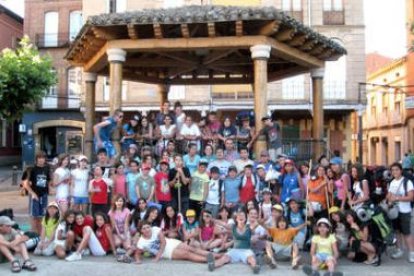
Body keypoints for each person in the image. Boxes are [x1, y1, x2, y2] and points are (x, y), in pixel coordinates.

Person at [134, 220, 215, 264]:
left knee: (192, 249)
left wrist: (157, 258)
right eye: (144, 228)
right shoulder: (141, 242)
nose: (147, 229)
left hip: (170, 242)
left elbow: (163, 242)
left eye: (148, 227)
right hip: (166, 252)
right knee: (187, 254)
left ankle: (217, 255)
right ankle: (208, 260)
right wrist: (138, 260)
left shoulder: (155, 229)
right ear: (141, 231)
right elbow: (137, 253)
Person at [207, 208, 260, 274]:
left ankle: (255, 267)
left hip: (246, 250)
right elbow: (223, 224)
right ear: (236, 218)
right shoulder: (233, 227)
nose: (241, 217)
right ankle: (212, 265)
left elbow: (257, 223)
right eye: (239, 215)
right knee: (225, 258)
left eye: (242, 215)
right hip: (235, 250)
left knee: (251, 259)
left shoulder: (249, 227)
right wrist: (212, 219)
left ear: (246, 218)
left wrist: (254, 217)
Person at [386, 162, 414, 262]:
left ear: (401, 170)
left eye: (396, 169)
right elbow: (389, 195)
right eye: (393, 170)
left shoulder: (407, 182)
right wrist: (389, 200)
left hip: (404, 211)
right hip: (394, 211)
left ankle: (412, 253)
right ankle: (399, 250)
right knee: (397, 232)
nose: (394, 172)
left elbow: (411, 197)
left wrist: (397, 198)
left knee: (406, 233)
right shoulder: (392, 182)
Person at [23, 151, 51, 234]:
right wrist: (33, 194)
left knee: (42, 217)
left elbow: (48, 181)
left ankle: (40, 235)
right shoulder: (32, 169)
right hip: (35, 196)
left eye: (43, 158)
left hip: (44, 196)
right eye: (39, 158)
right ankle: (34, 234)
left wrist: (50, 188)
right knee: (34, 217)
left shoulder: (47, 168)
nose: (41, 160)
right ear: (36, 159)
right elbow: (25, 184)